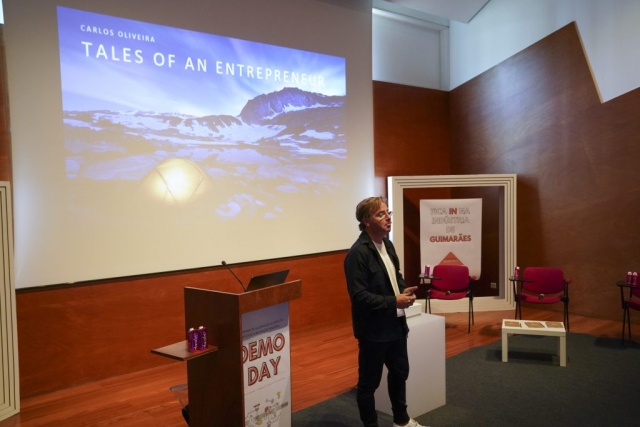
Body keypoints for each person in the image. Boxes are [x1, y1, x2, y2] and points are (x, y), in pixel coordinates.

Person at [344, 196, 426, 427]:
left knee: (400, 373)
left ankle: (401, 421)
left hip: (396, 325)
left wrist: (403, 290)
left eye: (388, 212)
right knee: (368, 384)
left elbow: (395, 276)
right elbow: (359, 297)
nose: (388, 217)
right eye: (381, 214)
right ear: (366, 221)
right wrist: (393, 301)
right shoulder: (357, 254)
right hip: (373, 331)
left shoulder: (387, 245)